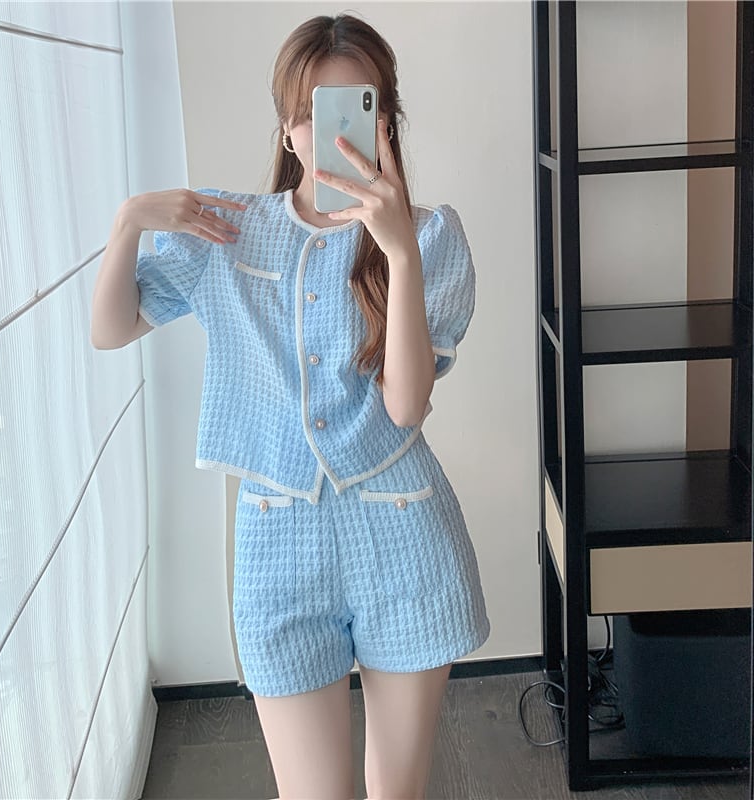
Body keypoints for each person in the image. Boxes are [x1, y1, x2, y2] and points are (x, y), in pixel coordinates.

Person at [91, 12, 490, 800]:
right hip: (277, 544)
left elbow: (406, 407)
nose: (329, 134)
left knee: (397, 791)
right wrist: (128, 221)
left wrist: (398, 249)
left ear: (385, 121)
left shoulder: (431, 238)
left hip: (403, 529)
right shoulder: (227, 231)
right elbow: (111, 330)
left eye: (354, 109)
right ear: (285, 127)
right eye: (310, 113)